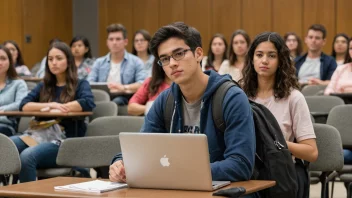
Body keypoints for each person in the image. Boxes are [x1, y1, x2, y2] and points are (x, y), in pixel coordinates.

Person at [109, 22, 255, 185]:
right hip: (178, 189)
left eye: (178, 54)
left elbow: (241, 165)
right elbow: (140, 149)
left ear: (198, 54)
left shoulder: (231, 98)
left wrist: (180, 171)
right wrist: (120, 162)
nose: (172, 63)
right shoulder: (165, 100)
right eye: (164, 59)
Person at [240, 32, 318, 197]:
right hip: (247, 172)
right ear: (252, 59)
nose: (264, 61)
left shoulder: (294, 98)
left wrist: (275, 143)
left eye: (272, 55)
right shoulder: (240, 96)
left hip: (281, 173)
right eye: (259, 55)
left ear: (281, 60)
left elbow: (311, 152)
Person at [10, 42, 95, 183]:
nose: (54, 63)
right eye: (50, 59)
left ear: (69, 60)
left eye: (59, 58)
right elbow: (24, 105)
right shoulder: (44, 86)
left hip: (64, 139)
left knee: (27, 157)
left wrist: (59, 107)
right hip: (38, 134)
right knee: (6, 147)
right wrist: (51, 105)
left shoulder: (80, 84)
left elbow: (87, 103)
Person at [87, 23, 147, 105]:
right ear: (107, 42)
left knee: (115, 102)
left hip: (124, 97)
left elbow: (143, 83)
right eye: (111, 39)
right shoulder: (99, 62)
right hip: (102, 96)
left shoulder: (136, 61)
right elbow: (89, 83)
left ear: (125, 42)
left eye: (118, 39)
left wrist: (124, 87)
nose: (114, 42)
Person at [0, 45, 28, 136]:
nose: (0, 62)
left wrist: (2, 109)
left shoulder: (19, 83)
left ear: (10, 61)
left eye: (3, 58)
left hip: (6, 125)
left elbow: (21, 103)